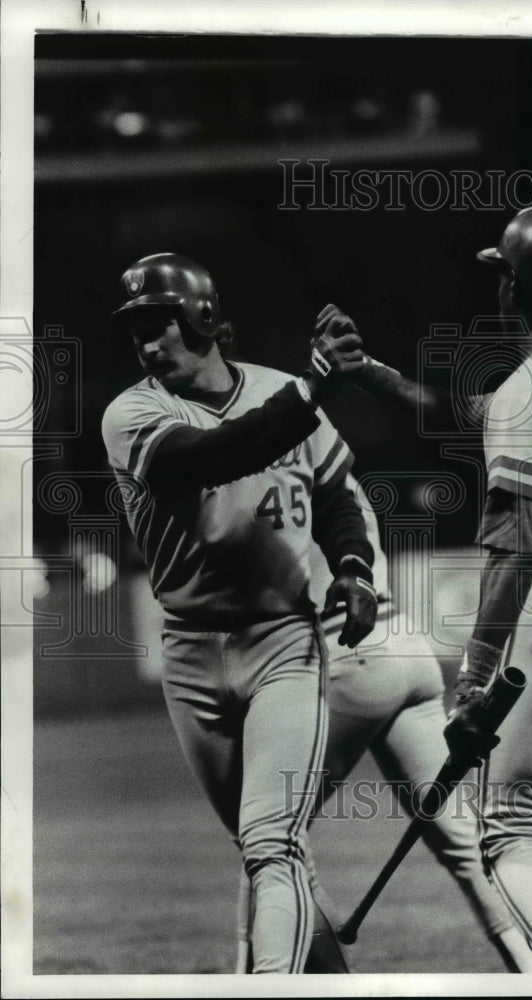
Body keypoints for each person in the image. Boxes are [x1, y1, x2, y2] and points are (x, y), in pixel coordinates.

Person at [318, 207, 532, 973]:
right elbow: (461, 417)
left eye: (501, 272)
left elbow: (511, 549)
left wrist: (475, 675)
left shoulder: (521, 395)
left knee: (507, 834)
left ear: (515, 285)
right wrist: (369, 375)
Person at [101, 252, 378, 974]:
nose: (144, 340)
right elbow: (217, 454)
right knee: (274, 858)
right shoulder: (132, 413)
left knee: (271, 843)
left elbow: (336, 497)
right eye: (134, 327)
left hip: (283, 640)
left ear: (199, 316)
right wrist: (315, 387)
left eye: (155, 322)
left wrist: (353, 567)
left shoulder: (284, 390)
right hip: (189, 656)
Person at [235, 472, 532, 974]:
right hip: (405, 649)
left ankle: (258, 976)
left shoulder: (264, 482)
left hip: (342, 656)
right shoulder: (337, 476)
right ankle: (531, 972)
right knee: (460, 842)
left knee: (270, 837)